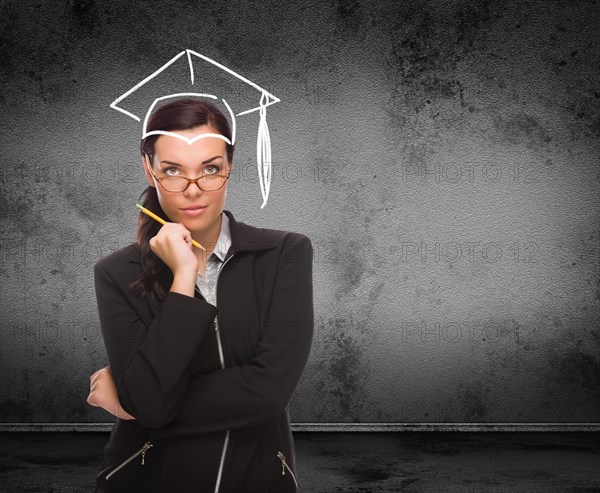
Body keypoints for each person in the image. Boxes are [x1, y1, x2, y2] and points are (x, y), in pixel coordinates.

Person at [87, 97, 314, 492]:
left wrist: (133, 405)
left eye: (210, 169)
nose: (194, 191)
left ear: (229, 167)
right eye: (173, 171)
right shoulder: (115, 273)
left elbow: (269, 392)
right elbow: (152, 401)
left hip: (256, 478)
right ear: (149, 169)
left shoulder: (285, 254)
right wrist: (182, 278)